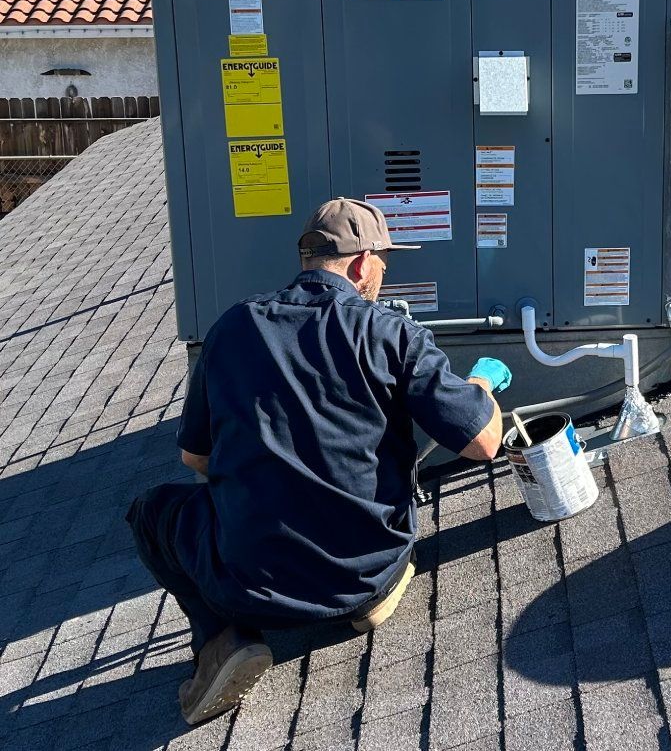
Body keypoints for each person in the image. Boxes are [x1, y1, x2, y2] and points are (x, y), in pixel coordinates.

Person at [126, 197, 510, 726]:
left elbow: (196, 458)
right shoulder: (390, 334)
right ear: (359, 265)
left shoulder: (232, 329)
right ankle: (365, 604)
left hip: (249, 586)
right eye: (382, 260)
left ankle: (223, 638)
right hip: (368, 570)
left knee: (152, 512)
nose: (385, 271)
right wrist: (482, 383)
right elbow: (484, 442)